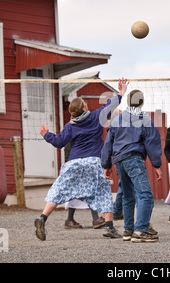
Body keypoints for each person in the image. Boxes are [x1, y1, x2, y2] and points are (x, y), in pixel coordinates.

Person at [34, 78, 129, 241]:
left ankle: (42, 218)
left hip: (74, 163)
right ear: (84, 108)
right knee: (104, 191)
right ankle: (110, 228)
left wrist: (45, 134)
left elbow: (58, 142)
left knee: (59, 191)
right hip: (94, 162)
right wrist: (121, 93)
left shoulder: (70, 126)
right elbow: (111, 106)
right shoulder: (96, 117)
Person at [101, 89, 163, 243]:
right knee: (145, 195)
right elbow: (152, 141)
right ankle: (141, 230)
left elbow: (108, 144)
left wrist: (106, 165)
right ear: (142, 102)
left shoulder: (117, 119)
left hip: (119, 161)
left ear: (128, 102)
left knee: (128, 196)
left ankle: (128, 230)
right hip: (133, 159)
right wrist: (156, 165)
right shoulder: (144, 118)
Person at [63, 142, 105, 229]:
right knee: (76, 192)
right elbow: (67, 149)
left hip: (86, 163)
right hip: (76, 164)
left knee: (89, 189)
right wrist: (69, 164)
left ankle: (94, 218)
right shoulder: (73, 129)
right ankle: (71, 219)